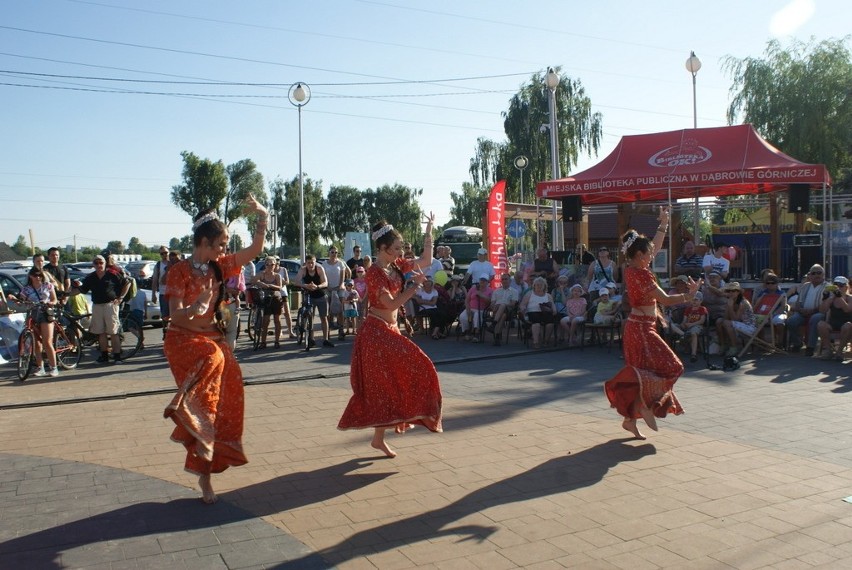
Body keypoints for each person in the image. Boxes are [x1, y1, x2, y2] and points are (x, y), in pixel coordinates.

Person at [162, 195, 267, 504]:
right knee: (214, 358)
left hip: (214, 342)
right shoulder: (178, 271)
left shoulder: (219, 266)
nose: (225, 250)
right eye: (221, 244)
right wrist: (197, 306)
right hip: (184, 342)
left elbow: (255, 250)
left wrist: (262, 215)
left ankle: (206, 455)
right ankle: (189, 417)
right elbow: (175, 315)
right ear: (205, 242)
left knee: (229, 395)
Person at [338, 215, 442, 458]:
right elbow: (393, 302)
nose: (400, 253)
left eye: (400, 248)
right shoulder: (375, 274)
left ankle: (378, 439)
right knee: (414, 367)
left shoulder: (394, 266)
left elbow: (426, 260)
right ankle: (394, 427)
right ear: (383, 248)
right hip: (375, 333)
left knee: (387, 386)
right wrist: (414, 286)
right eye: (395, 249)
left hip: (389, 330)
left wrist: (428, 232)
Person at [604, 208, 701, 440]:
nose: (652, 256)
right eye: (648, 254)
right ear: (638, 255)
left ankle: (630, 421)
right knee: (673, 366)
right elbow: (666, 300)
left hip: (640, 327)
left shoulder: (633, 268)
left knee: (641, 376)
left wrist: (664, 224)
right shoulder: (642, 275)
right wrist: (690, 296)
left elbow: (654, 247)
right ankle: (648, 404)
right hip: (640, 330)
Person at [70, 254, 128, 364]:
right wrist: (66, 294)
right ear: (93, 265)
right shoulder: (91, 277)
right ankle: (104, 355)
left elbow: (127, 283)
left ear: (105, 263)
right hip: (97, 306)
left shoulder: (112, 274)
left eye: (101, 262)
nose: (99, 265)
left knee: (113, 332)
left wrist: (120, 297)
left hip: (110, 305)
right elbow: (81, 289)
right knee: (100, 332)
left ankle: (117, 356)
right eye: (96, 263)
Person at [13, 268, 59, 377]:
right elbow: (21, 302)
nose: (38, 277)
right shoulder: (26, 289)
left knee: (47, 342)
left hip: (45, 314)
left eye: (40, 275)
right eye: (35, 275)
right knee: (36, 344)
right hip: (33, 315)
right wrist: (15, 299)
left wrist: (49, 303)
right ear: (30, 276)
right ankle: (40, 367)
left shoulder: (47, 286)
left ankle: (54, 368)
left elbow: (54, 299)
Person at [786, 264, 827, 356]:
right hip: (803, 313)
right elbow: (798, 302)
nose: (816, 275)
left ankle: (810, 347)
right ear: (810, 275)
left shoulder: (828, 287)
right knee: (791, 321)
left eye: (819, 273)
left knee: (815, 318)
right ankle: (797, 343)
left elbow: (826, 306)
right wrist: (800, 309)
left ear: (823, 274)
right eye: (813, 273)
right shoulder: (805, 286)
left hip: (819, 313)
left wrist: (812, 311)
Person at [296, 254, 333, 348]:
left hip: (321, 295)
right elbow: (296, 282)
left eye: (312, 262)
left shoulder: (319, 269)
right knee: (310, 317)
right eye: (308, 263)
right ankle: (311, 338)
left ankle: (325, 339)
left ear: (315, 262)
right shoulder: (303, 270)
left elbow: (326, 282)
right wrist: (306, 286)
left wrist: (318, 286)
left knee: (324, 318)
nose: (310, 265)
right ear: (306, 263)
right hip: (309, 295)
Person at [715, 282, 756, 357]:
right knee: (719, 321)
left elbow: (735, 319)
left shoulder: (743, 302)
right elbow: (725, 318)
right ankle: (723, 345)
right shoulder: (731, 301)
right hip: (739, 325)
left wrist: (730, 307)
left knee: (727, 323)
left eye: (733, 291)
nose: (731, 293)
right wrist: (728, 306)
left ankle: (734, 347)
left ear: (738, 292)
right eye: (728, 291)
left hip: (749, 328)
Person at [816, 276, 852, 360]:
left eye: (841, 285)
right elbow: (822, 310)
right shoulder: (831, 298)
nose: (838, 287)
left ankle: (839, 352)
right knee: (821, 324)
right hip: (832, 323)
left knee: (848, 326)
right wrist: (825, 298)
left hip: (846, 324)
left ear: (846, 287)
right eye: (836, 285)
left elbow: (847, 309)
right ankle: (828, 350)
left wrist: (839, 297)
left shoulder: (849, 298)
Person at [253, 256, 284, 348]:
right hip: (265, 300)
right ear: (265, 265)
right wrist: (260, 283)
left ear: (275, 265)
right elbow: (253, 280)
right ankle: (263, 342)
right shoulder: (261, 274)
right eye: (267, 264)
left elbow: (280, 287)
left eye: (272, 264)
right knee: (265, 321)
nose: (270, 266)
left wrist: (271, 286)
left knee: (277, 320)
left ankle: (277, 341)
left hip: (275, 299)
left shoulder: (277, 276)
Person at [751, 272, 788, 349]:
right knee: (757, 321)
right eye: (768, 283)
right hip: (764, 313)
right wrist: (762, 298)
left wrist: (772, 314)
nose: (770, 285)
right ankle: (762, 343)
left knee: (780, 321)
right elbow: (757, 306)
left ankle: (779, 343)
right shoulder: (763, 293)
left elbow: (783, 307)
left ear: (777, 284)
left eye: (773, 283)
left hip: (777, 313)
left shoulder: (782, 293)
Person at [519, 276, 557, 349]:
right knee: (536, 322)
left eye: (541, 285)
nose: (539, 286)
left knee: (550, 322)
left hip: (545, 312)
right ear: (534, 286)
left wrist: (554, 310)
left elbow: (553, 306)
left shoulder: (548, 295)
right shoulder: (530, 294)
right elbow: (522, 305)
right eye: (537, 285)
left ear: (544, 286)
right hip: (532, 312)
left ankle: (546, 341)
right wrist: (523, 310)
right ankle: (535, 342)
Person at [672, 291, 708, 363]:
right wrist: (683, 324)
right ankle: (683, 335)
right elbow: (684, 320)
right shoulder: (688, 309)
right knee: (672, 326)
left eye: (696, 300)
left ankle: (693, 354)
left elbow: (702, 321)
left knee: (693, 332)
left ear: (700, 301)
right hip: (687, 326)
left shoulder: (702, 309)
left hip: (698, 326)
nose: (694, 301)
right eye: (692, 299)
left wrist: (692, 324)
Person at [323, 247, 349, 340]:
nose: (334, 254)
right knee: (329, 310)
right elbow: (323, 276)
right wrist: (326, 286)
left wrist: (341, 285)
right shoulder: (324, 264)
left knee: (340, 310)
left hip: (339, 289)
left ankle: (341, 330)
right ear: (329, 253)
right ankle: (328, 330)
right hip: (328, 289)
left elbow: (343, 276)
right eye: (332, 252)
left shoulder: (340, 263)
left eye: (336, 252)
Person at [459, 274, 493, 341]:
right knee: (463, 316)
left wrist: (482, 296)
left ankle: (476, 333)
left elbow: (490, 302)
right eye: (481, 280)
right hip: (470, 308)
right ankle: (467, 331)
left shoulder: (490, 290)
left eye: (484, 280)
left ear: (487, 282)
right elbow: (467, 300)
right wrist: (468, 309)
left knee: (477, 315)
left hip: (482, 310)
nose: (482, 282)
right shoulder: (473, 288)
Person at [488, 273, 519, 346]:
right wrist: (495, 306)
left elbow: (513, 304)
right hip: (497, 311)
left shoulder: (514, 291)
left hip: (509, 311)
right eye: (503, 279)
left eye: (506, 279)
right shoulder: (496, 291)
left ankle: (494, 325)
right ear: (501, 281)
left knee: (503, 306)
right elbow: (492, 304)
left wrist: (503, 304)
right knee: (503, 315)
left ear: (510, 280)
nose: (504, 281)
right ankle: (497, 337)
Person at [151, 246, 172, 333]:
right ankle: (165, 332)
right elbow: (155, 280)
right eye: (162, 253)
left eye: (166, 253)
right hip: (163, 292)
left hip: (174, 293)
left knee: (175, 314)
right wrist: (153, 294)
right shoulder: (158, 265)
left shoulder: (173, 263)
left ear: (169, 252)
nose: (164, 255)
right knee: (165, 315)